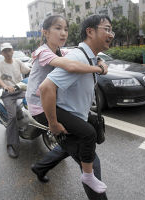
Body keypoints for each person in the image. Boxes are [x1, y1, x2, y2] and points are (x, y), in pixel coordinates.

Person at [26, 14, 109, 199]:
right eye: (57, 28)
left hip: (55, 103)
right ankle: (90, 178)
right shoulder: (43, 51)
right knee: (90, 157)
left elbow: (84, 55)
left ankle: (40, 167)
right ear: (45, 32)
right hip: (41, 107)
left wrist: (100, 60)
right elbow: (72, 66)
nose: (63, 33)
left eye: (66, 29)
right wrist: (99, 69)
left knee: (69, 142)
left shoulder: (60, 51)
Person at [0, 43, 30, 158]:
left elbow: (27, 70)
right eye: (5, 51)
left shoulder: (18, 62)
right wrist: (5, 86)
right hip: (8, 93)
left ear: (13, 51)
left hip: (21, 89)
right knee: (12, 116)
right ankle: (11, 145)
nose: (8, 53)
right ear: (2, 53)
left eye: (9, 50)